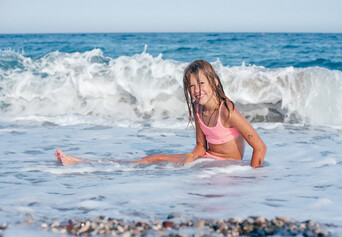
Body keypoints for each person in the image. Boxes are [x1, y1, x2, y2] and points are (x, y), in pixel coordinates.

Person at [55, 60, 266, 167]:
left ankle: (82, 163)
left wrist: (249, 178)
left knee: (155, 159)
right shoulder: (198, 108)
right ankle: (83, 162)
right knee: (153, 159)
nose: (197, 90)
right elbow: (201, 146)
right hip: (209, 161)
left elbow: (259, 147)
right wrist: (190, 158)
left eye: (201, 83)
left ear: (215, 82)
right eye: (192, 86)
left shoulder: (227, 110)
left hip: (225, 168)